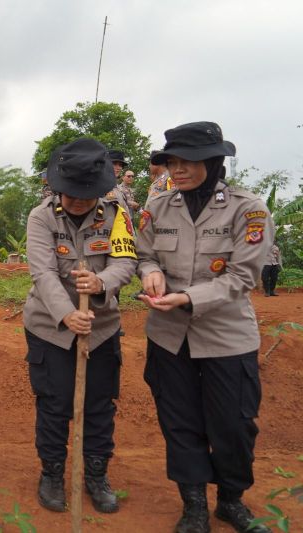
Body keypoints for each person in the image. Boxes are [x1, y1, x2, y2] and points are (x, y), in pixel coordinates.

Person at [137, 121, 272, 533]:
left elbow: (242, 277)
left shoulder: (247, 209)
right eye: (172, 162)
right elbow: (144, 255)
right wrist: (150, 273)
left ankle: (231, 499)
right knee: (179, 422)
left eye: (188, 161)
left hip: (226, 338)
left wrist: (190, 298)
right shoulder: (158, 208)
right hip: (168, 336)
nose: (177, 170)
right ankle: (193, 503)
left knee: (233, 423)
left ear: (213, 162)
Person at [25, 138, 136, 515]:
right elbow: (42, 271)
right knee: (54, 403)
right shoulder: (41, 217)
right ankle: (52, 473)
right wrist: (66, 314)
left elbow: (126, 262)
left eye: (85, 195)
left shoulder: (116, 214)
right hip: (49, 327)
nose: (76, 201)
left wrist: (103, 283)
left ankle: (96, 474)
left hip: (101, 326)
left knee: (99, 403)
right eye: (70, 193)